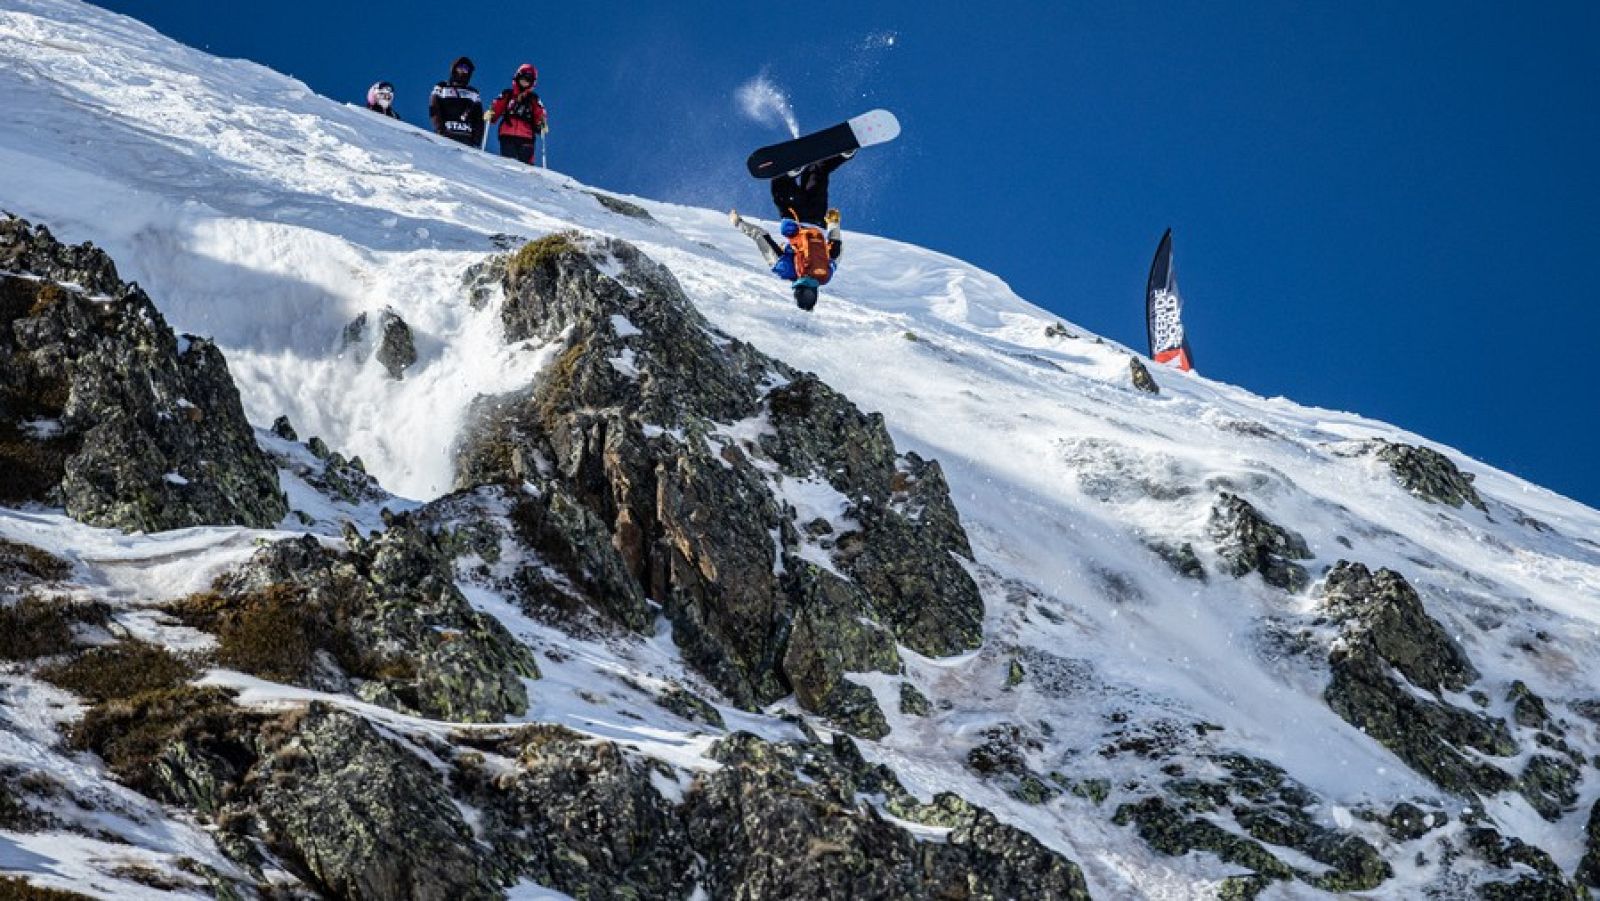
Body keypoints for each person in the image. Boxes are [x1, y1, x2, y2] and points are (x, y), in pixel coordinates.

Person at [728, 208, 843, 311]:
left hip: (816, 222)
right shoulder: (784, 269)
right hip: (792, 217)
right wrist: (738, 223)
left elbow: (836, 250)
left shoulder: (824, 275)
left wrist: (833, 223)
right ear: (796, 291)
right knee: (786, 226)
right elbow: (760, 235)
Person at [489, 64, 548, 165]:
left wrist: (541, 122)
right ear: (518, 77)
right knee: (509, 164)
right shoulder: (508, 94)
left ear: (532, 82)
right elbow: (497, 105)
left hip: (526, 137)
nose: (525, 81)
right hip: (507, 134)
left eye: (528, 79)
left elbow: (540, 112)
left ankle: (527, 179)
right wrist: (491, 113)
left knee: (525, 165)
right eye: (523, 77)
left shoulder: (533, 98)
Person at [429, 56, 484, 146]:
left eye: (466, 69)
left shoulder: (473, 93)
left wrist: (477, 139)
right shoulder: (442, 87)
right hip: (446, 134)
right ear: (454, 69)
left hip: (466, 137)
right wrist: (439, 129)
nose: (463, 71)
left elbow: (478, 118)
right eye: (460, 67)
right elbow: (434, 109)